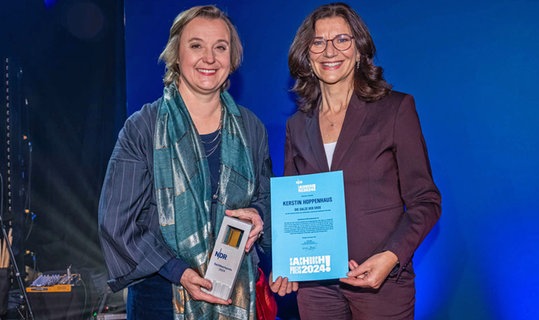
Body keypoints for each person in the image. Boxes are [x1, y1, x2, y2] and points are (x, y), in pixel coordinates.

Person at [98, 5, 273, 319]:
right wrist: (177, 270)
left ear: (232, 59)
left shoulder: (251, 128)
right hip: (160, 298)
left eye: (220, 47)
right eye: (196, 46)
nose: (209, 58)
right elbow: (117, 223)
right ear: (176, 55)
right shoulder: (143, 127)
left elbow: (265, 198)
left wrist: (259, 214)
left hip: (236, 292)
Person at [270, 2, 442, 319]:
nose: (329, 51)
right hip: (316, 287)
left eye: (342, 40)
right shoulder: (297, 125)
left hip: (381, 282)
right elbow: (291, 209)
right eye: (318, 42)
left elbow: (426, 201)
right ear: (307, 55)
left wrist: (391, 257)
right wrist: (286, 263)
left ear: (360, 50)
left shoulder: (395, 109)